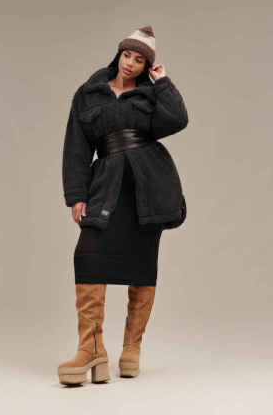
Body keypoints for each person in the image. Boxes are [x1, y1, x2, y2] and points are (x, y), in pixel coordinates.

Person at [58, 25, 189, 385]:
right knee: (88, 256)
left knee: (142, 264)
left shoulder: (150, 94)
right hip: (107, 183)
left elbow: (178, 119)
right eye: (127, 55)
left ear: (147, 65)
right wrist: (76, 194)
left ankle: (132, 349)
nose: (131, 63)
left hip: (148, 184)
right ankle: (91, 349)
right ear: (118, 54)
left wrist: (163, 82)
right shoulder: (88, 94)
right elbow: (76, 146)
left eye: (140, 60)